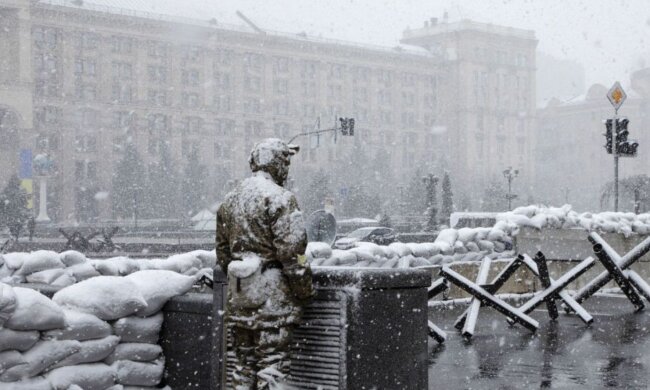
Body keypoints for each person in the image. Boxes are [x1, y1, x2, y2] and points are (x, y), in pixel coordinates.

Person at [216, 138, 314, 389]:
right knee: (273, 365)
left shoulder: (230, 200)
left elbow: (223, 253)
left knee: (243, 365)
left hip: (239, 296)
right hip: (272, 298)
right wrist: (304, 289)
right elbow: (294, 253)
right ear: (274, 163)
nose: (286, 169)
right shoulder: (281, 198)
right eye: (284, 162)